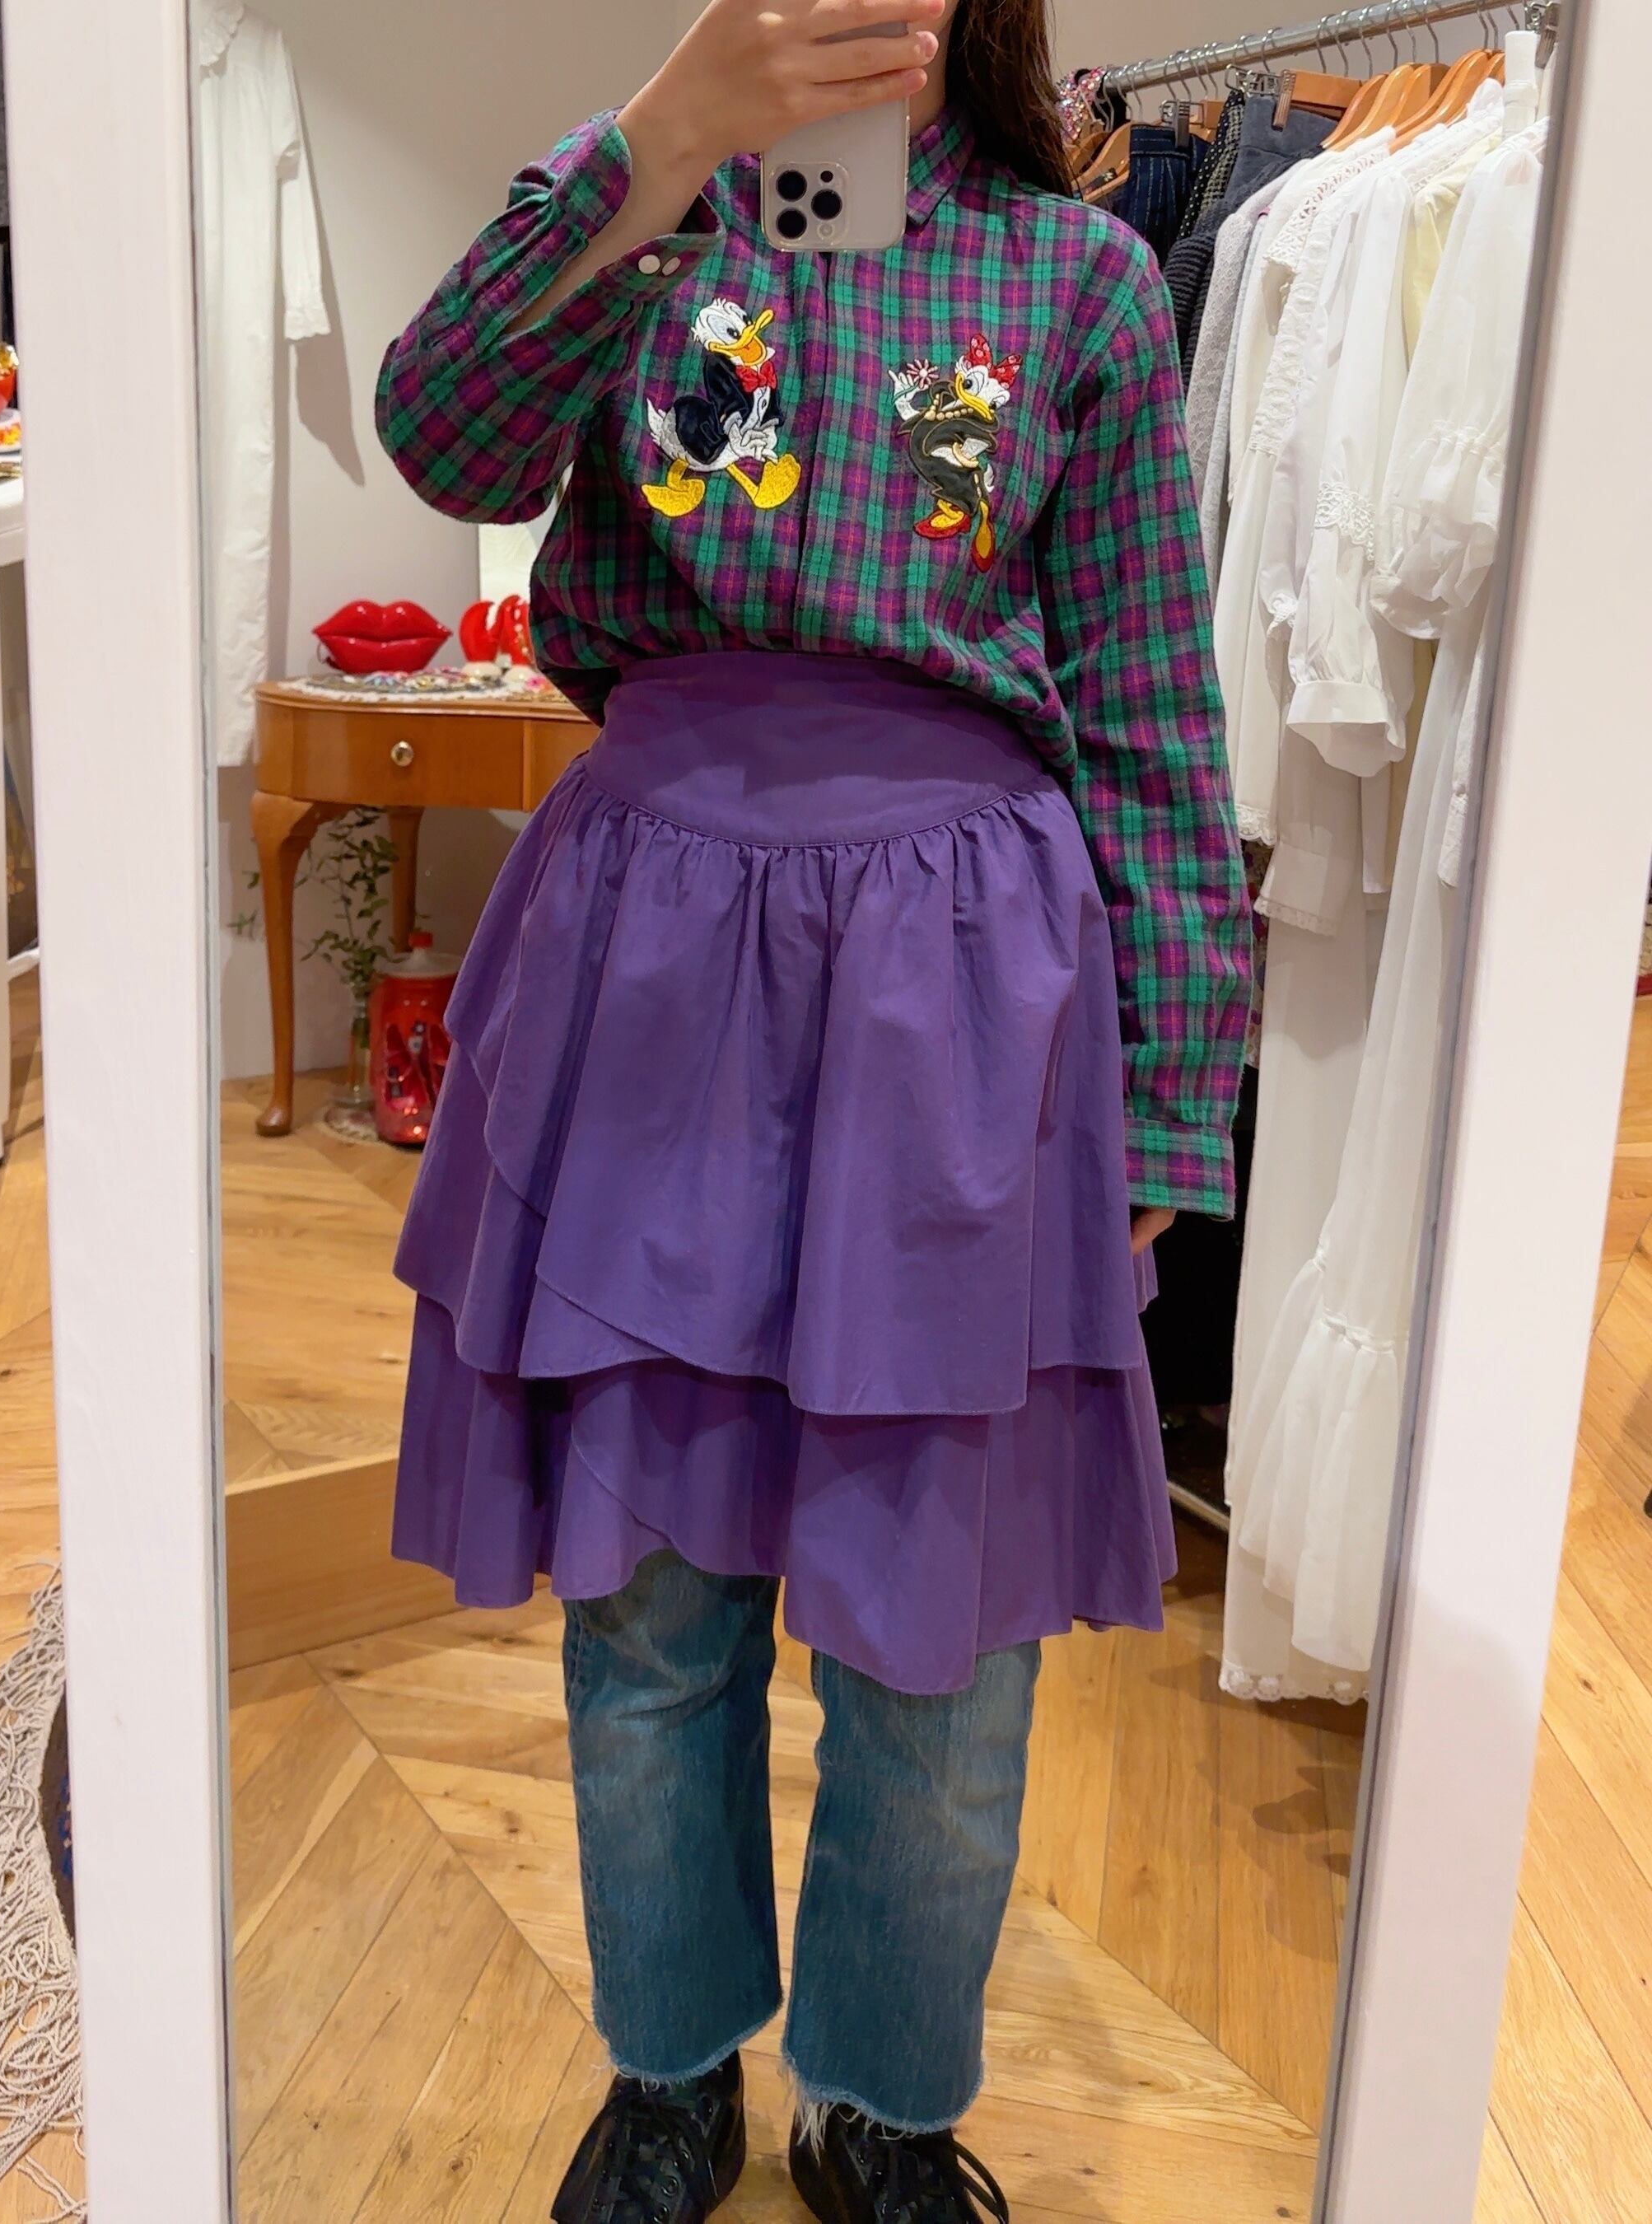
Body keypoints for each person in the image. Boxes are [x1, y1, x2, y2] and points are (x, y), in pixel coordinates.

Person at [376, 2, 1252, 2217]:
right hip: (658, 971)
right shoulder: (643, 225)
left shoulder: (1084, 280)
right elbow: (441, 435)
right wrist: (659, 136)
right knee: (650, 1605)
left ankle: (882, 2097)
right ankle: (670, 2067)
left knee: (940, 1635)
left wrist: (1166, 1104)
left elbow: (1156, 722)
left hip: (959, 1004)